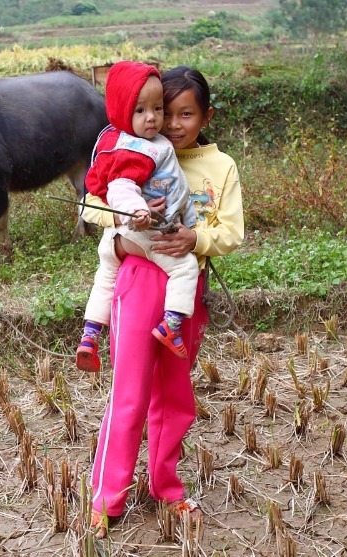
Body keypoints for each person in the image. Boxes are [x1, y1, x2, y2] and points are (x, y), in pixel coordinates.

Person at [81, 65, 244, 538]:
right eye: (161, 112)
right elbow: (92, 204)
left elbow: (231, 232)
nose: (170, 123)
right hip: (136, 278)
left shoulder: (220, 167)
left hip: (184, 288)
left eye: (184, 114)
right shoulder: (133, 149)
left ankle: (166, 487)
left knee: (174, 392)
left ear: (205, 116)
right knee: (129, 390)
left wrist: (195, 236)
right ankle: (108, 495)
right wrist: (126, 220)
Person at [76, 61, 199, 374]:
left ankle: (90, 334)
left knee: (105, 279)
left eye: (157, 108)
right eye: (140, 110)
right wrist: (137, 213)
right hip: (142, 232)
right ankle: (171, 325)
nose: (153, 119)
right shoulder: (138, 150)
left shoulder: (115, 140)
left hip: (114, 238)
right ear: (120, 109)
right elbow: (120, 187)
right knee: (185, 268)